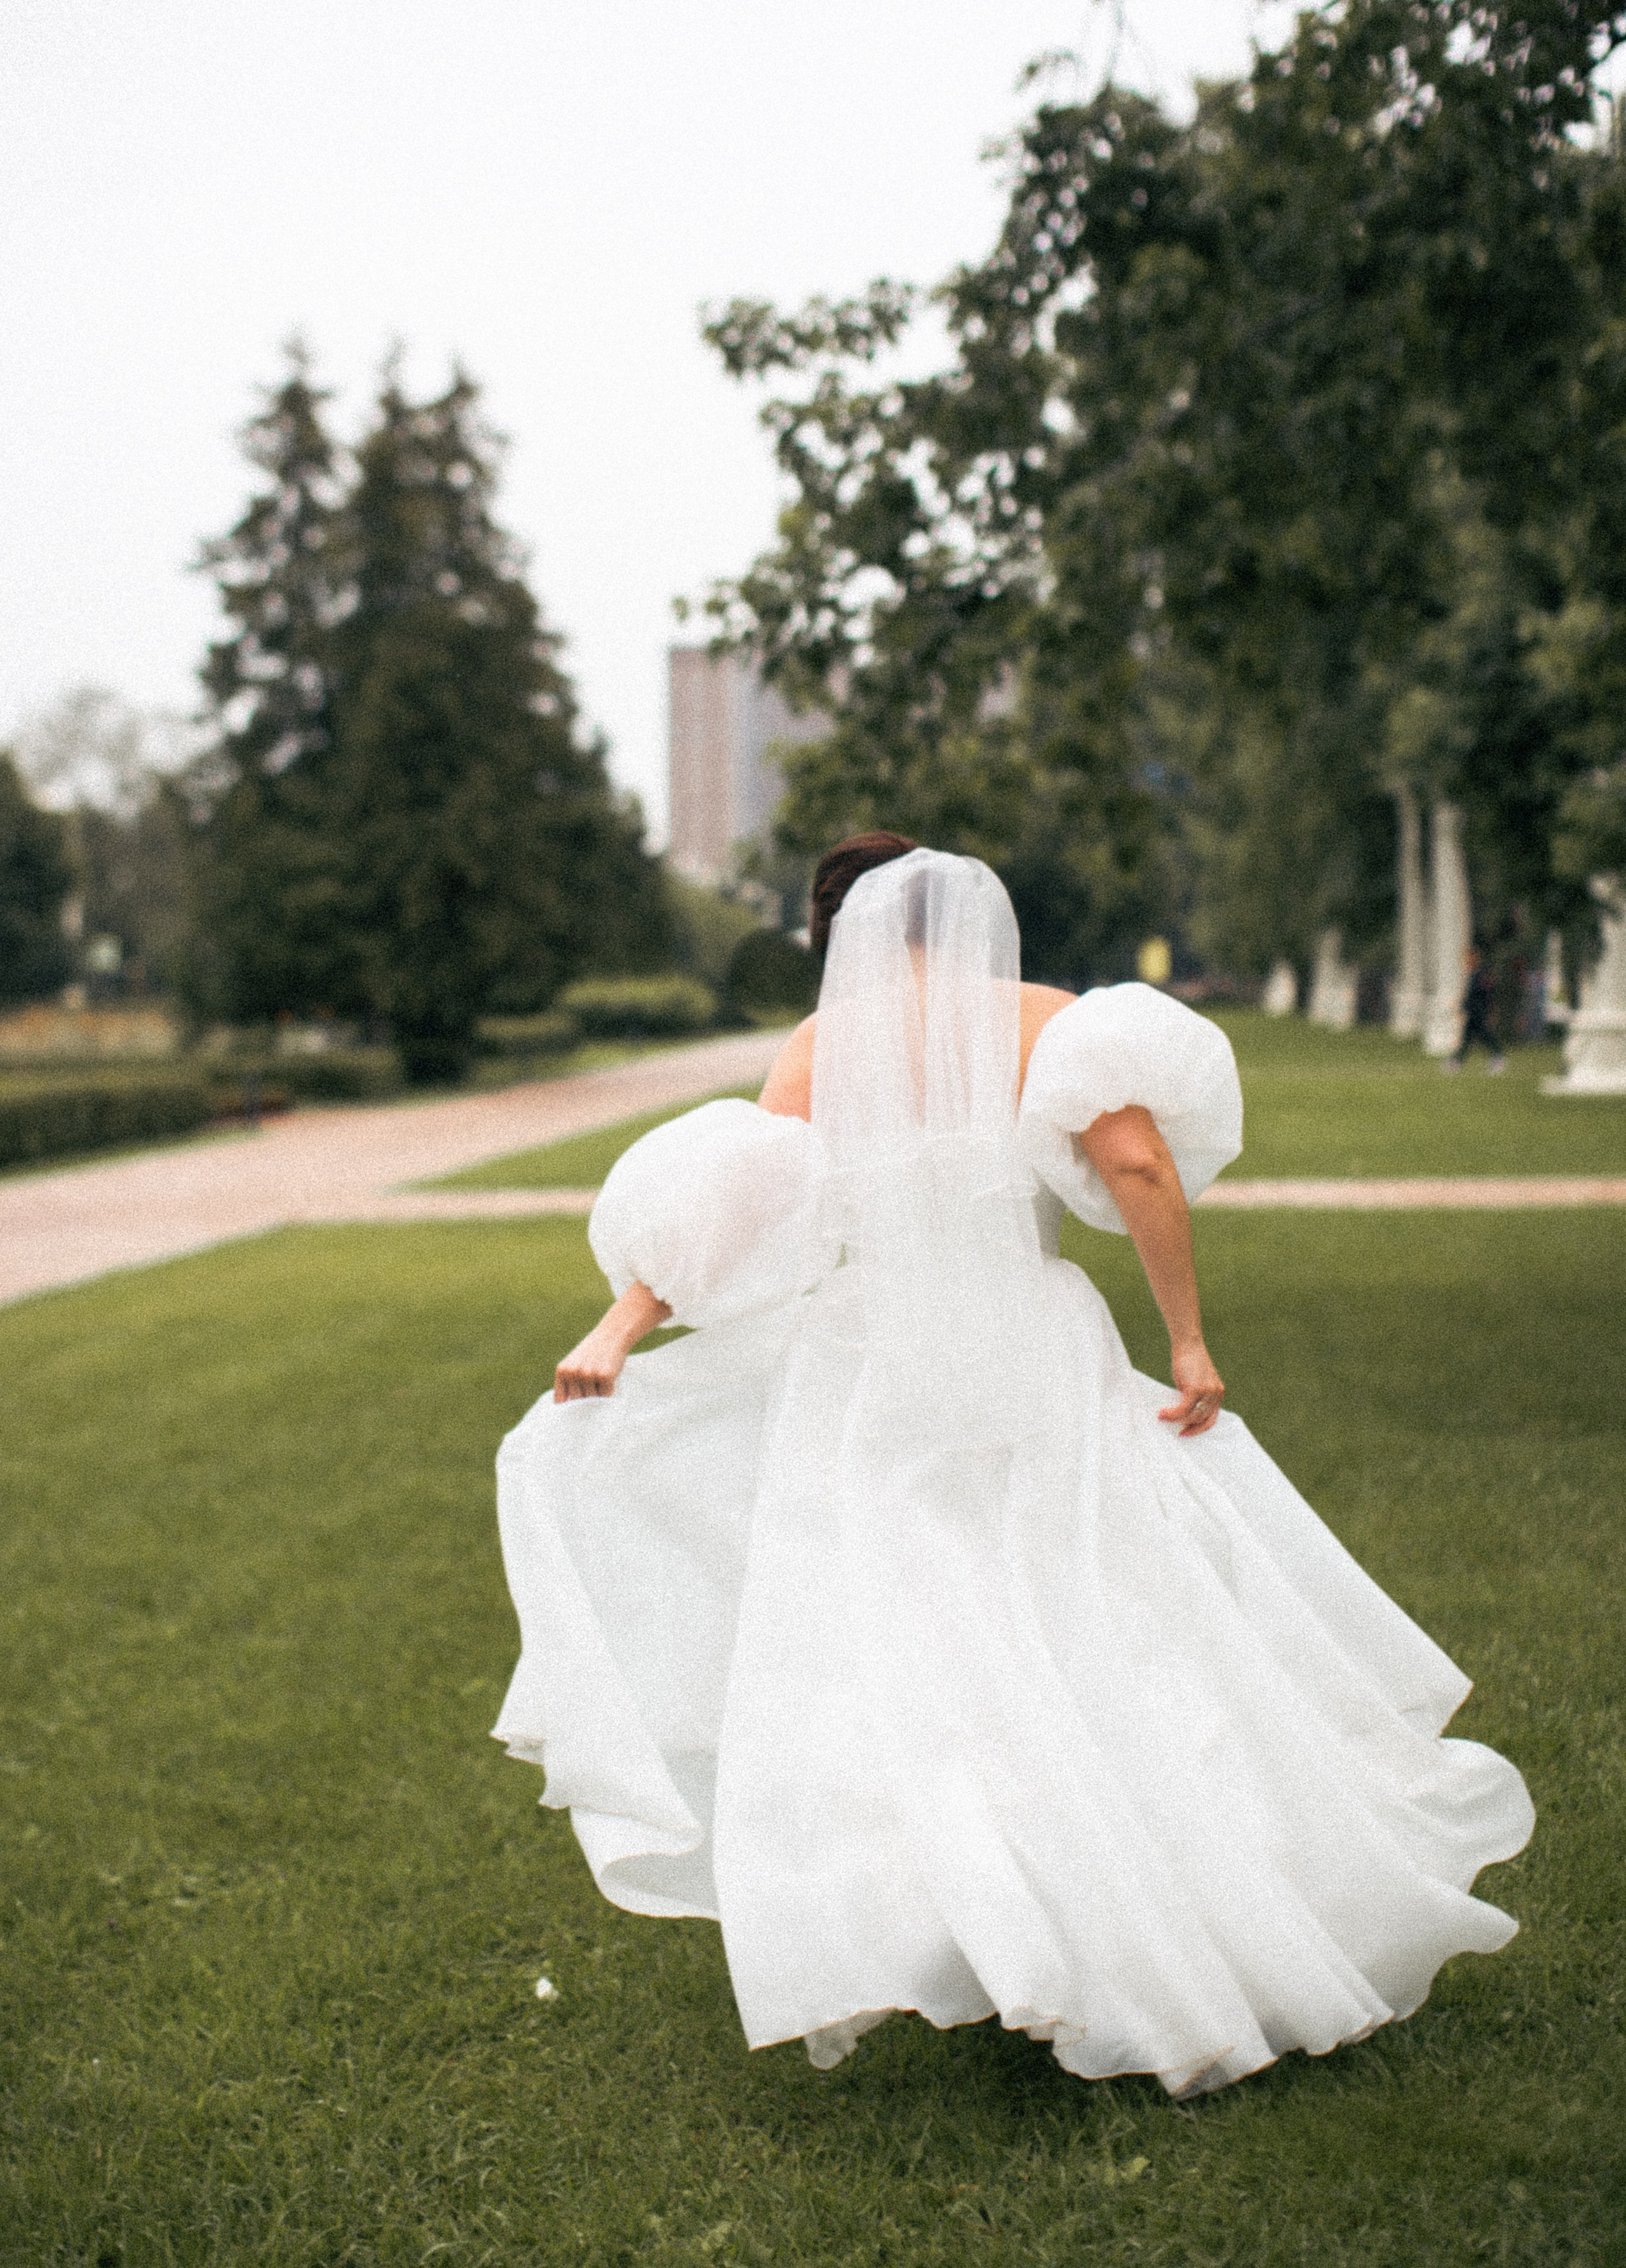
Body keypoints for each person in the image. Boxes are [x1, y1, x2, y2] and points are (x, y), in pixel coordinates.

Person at [492, 838, 1533, 2098]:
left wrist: (615, 1330)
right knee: (1096, 1609)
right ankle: (1140, 1899)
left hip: (871, 1366)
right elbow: (1138, 1167)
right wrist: (1187, 1342)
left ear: (846, 932)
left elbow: (733, 1207)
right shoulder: (1052, 1023)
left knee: (911, 1638)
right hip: (1029, 1349)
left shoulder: (822, 1049)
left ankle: (983, 1915)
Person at [1447, 948, 1507, 1073]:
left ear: (1475, 960)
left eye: (1469, 959)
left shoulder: (1480, 976)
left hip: (1478, 1012)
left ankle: (1498, 1057)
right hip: (1473, 1012)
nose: (1466, 962)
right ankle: (1457, 1061)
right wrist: (1463, 1007)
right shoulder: (1473, 975)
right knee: (1468, 1038)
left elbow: (1484, 994)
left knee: (1483, 1035)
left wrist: (1490, 1010)